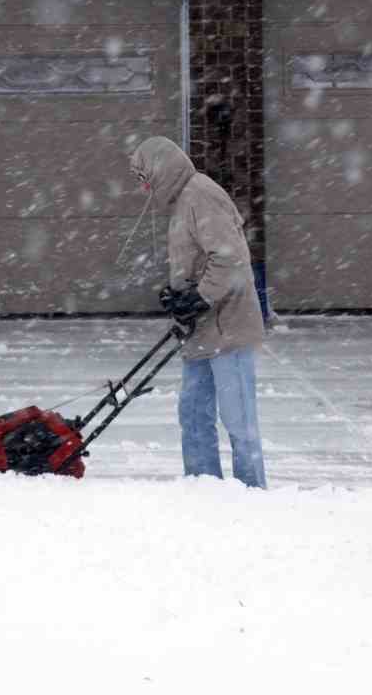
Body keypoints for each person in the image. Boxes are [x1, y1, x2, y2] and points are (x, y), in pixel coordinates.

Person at [127, 136, 267, 488]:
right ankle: (203, 486)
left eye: (145, 176)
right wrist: (176, 294)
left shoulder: (200, 195)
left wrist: (199, 297)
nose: (144, 186)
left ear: (161, 168)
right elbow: (198, 260)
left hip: (227, 326)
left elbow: (230, 258)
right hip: (201, 328)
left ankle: (253, 491)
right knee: (193, 414)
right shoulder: (181, 202)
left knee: (238, 419)